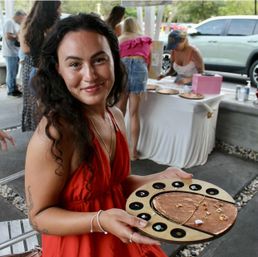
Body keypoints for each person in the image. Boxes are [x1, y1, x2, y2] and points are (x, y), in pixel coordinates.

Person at [25, 13, 192, 257]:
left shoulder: (114, 115)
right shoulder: (55, 134)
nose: (90, 75)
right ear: (58, 70)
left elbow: (114, 187)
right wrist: (100, 220)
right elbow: (38, 217)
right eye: (74, 64)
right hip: (78, 249)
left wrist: (160, 178)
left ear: (115, 59)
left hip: (119, 239)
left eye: (99, 60)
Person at [19, 0, 61, 132]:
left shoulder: (29, 24)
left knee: (39, 109)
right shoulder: (54, 27)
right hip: (47, 72)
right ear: (51, 10)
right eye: (58, 8)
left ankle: (41, 137)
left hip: (33, 69)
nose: (59, 11)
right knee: (52, 109)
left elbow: (25, 49)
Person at [117, 17, 152, 161]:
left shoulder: (119, 39)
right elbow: (148, 62)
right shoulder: (144, 40)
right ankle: (133, 152)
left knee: (120, 111)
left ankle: (118, 148)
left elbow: (114, 60)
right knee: (134, 113)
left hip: (123, 69)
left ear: (124, 26)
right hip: (140, 69)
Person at [2, 10, 26, 97]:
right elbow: (8, 36)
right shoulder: (10, 22)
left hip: (14, 51)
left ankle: (13, 88)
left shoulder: (13, 23)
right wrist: (18, 37)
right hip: (10, 52)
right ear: (19, 15)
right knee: (11, 72)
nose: (23, 20)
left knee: (14, 72)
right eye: (22, 18)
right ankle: (11, 90)